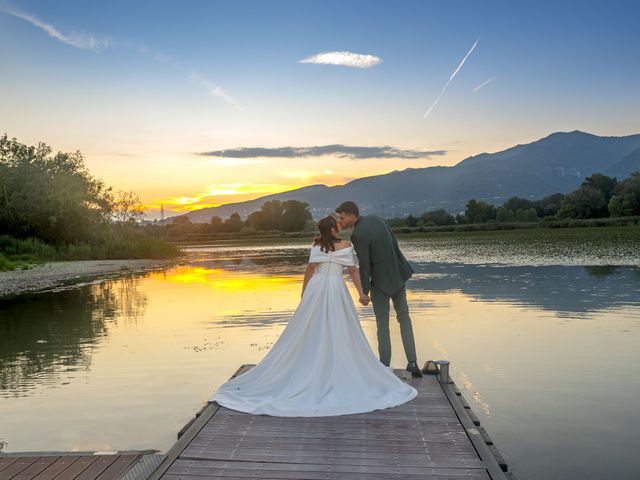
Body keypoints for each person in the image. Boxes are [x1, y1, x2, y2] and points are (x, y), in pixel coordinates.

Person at [210, 215, 417, 417]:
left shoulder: (317, 247)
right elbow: (353, 270)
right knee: (341, 328)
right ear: (333, 230)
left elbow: (310, 269)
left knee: (312, 327)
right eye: (337, 224)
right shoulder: (345, 246)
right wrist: (362, 293)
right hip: (336, 289)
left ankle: (314, 363)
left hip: (317, 289)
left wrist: (304, 291)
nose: (340, 225)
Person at [335, 201, 423, 377]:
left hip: (380, 284)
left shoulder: (357, 234)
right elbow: (394, 245)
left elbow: (365, 265)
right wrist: (400, 269)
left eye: (342, 216)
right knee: (404, 318)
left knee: (382, 324)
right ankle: (413, 363)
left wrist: (364, 292)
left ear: (352, 215)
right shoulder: (379, 220)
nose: (340, 220)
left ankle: (384, 367)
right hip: (398, 276)